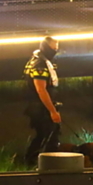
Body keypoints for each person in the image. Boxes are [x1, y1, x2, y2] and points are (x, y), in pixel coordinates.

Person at [23, 36, 61, 166]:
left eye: (57, 48)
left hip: (38, 106)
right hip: (41, 107)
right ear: (46, 47)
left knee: (46, 135)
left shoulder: (36, 60)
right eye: (54, 48)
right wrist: (53, 111)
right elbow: (41, 90)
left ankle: (36, 163)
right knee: (47, 136)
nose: (56, 51)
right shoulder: (40, 65)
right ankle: (36, 164)